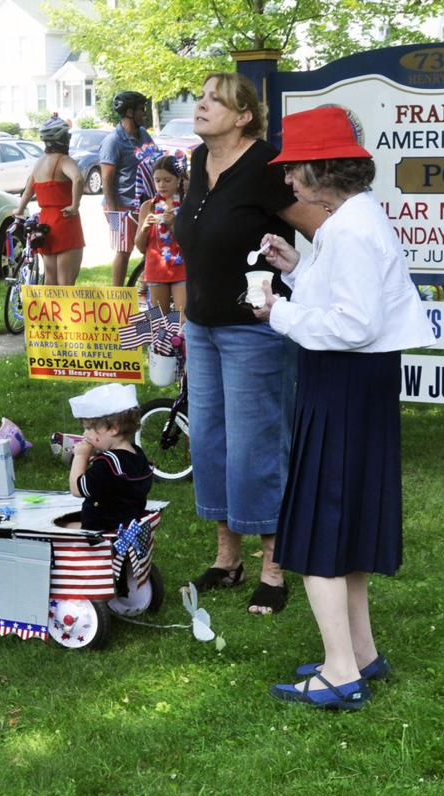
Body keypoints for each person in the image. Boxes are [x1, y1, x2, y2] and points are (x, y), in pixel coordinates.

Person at [252, 106, 432, 709]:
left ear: (321, 169)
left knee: (321, 524)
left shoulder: (351, 229)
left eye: (293, 168)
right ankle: (361, 652)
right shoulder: (352, 218)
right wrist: (298, 267)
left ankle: (339, 674)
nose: (287, 179)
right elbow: (348, 298)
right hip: (356, 383)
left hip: (343, 384)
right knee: (345, 518)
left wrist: (278, 313)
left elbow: (354, 326)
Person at [172, 72, 325, 615]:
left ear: (243, 117)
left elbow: (322, 227)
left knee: (255, 446)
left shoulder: (264, 165)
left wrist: (306, 280)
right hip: (202, 327)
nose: (201, 105)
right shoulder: (197, 161)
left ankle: (274, 568)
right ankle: (227, 559)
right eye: (200, 96)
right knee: (210, 443)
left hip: (254, 331)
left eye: (214, 100)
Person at [66, 383, 153, 532]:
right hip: (125, 528)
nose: (85, 434)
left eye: (89, 428)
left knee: (62, 527)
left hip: (101, 533)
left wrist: (80, 456)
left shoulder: (107, 463)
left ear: (113, 429)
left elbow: (77, 489)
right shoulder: (137, 454)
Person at [13, 116, 85, 287]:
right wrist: (75, 205)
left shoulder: (39, 163)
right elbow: (78, 178)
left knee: (50, 280)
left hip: (45, 223)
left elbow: (28, 191)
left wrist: (19, 210)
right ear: (62, 138)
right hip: (65, 219)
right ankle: (64, 307)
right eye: (67, 135)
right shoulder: (63, 160)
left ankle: (48, 307)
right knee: (66, 283)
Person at [100, 91, 154, 287]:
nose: (144, 113)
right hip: (121, 206)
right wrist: (113, 212)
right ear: (130, 112)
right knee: (124, 251)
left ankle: (144, 292)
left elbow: (155, 160)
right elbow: (106, 178)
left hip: (143, 203)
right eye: (141, 109)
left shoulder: (144, 134)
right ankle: (117, 297)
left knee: (151, 248)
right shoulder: (114, 141)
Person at [134, 153, 188, 313]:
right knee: (159, 319)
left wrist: (172, 225)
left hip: (182, 268)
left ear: (178, 180)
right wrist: (144, 228)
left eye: (167, 180)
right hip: (156, 268)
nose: (162, 185)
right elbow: (140, 247)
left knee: (182, 316)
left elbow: (190, 242)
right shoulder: (148, 206)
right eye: (157, 180)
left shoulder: (186, 205)